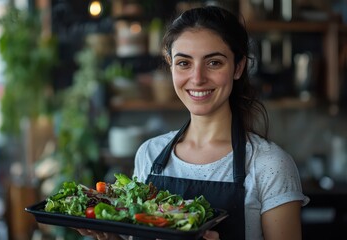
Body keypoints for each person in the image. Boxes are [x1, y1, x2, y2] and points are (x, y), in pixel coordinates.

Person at [77, 5, 309, 240]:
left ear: (238, 67)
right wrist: (109, 236)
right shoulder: (149, 154)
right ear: (171, 65)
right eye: (184, 63)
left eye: (214, 63)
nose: (197, 79)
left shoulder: (269, 165)